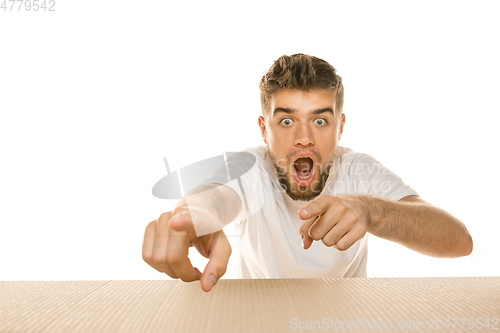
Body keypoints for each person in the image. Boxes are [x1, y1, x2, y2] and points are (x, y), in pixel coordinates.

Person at [142, 54, 473, 292]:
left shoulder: (360, 170)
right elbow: (215, 197)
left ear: (340, 126)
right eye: (286, 121)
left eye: (320, 120)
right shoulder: (250, 168)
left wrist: (371, 211)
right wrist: (192, 216)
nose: (304, 137)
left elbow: (459, 241)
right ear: (263, 129)